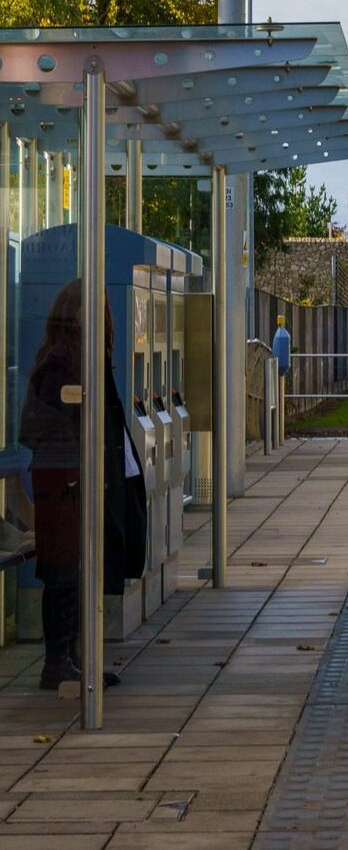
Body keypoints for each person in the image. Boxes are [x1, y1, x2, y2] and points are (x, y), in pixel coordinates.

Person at [19, 280, 145, 690]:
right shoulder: (66, 360)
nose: (106, 317)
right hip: (65, 477)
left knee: (75, 566)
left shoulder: (77, 355)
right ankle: (59, 660)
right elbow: (47, 422)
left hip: (73, 473)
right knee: (64, 568)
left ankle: (70, 656)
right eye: (98, 308)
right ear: (78, 312)